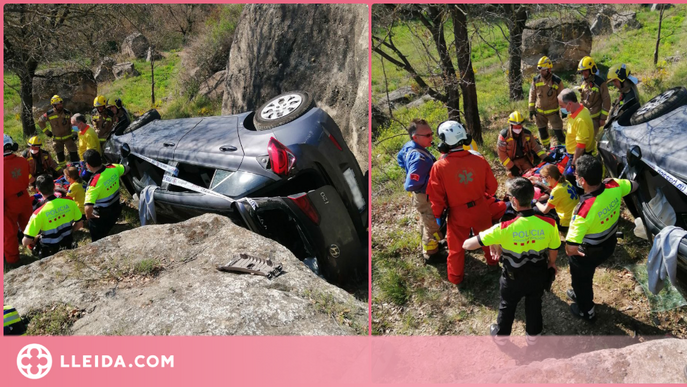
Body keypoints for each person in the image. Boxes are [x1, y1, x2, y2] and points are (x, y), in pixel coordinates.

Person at [463, 178, 559, 345]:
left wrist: (492, 239)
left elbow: (467, 245)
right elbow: (554, 248)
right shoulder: (549, 223)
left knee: (507, 305)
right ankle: (533, 336)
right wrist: (551, 263)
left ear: (514, 200)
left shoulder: (503, 228)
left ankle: (501, 338)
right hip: (538, 274)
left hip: (513, 278)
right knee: (534, 303)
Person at [565, 155, 638, 321]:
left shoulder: (583, 210)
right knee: (583, 279)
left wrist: (573, 252)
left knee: (581, 280)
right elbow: (634, 186)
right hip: (609, 244)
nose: (574, 177)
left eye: (576, 175)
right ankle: (579, 294)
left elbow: (570, 248)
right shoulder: (614, 185)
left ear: (582, 180)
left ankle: (587, 311)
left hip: (589, 253)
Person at [426, 121, 499, 285]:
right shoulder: (479, 159)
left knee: (456, 249)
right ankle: (493, 264)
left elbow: (436, 197)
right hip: (481, 208)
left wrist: (437, 217)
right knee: (487, 238)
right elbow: (492, 187)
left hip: (458, 213)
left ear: (444, 143)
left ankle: (456, 278)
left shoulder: (439, 167)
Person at [397, 119, 442, 257]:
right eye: (427, 135)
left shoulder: (409, 146)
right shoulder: (419, 158)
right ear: (415, 137)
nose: (431, 137)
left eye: (431, 133)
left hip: (419, 196)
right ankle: (431, 253)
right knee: (432, 224)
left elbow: (400, 159)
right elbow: (411, 184)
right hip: (425, 195)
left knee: (425, 220)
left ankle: (426, 244)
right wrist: (431, 181)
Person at [22, 175, 83, 258]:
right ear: (54, 187)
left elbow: (26, 241)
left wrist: (36, 237)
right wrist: (69, 232)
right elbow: (79, 224)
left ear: (38, 190)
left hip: (49, 251)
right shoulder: (70, 202)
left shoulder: (37, 213)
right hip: (68, 244)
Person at [83, 149, 130, 242]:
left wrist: (90, 216)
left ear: (88, 165)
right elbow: (127, 169)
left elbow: (88, 208)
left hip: (102, 216)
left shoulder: (94, 183)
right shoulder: (113, 167)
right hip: (116, 209)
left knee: (97, 238)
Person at [558, 88, 597, 189]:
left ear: (569, 104)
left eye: (561, 106)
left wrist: (573, 163)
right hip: (573, 153)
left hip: (579, 155)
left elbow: (581, 145)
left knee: (571, 180)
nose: (560, 108)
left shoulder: (580, 119)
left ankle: (577, 199)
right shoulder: (578, 111)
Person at [4, 134, 33, 265]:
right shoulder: (22, 161)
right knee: (29, 225)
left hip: (8, 203)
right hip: (25, 198)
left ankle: (13, 260)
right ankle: (34, 246)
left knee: (9, 233)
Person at [497, 110, 553, 178]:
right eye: (516, 127)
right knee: (515, 177)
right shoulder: (504, 136)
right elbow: (502, 154)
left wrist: (545, 157)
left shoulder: (527, 134)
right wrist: (512, 167)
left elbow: (536, 147)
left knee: (532, 175)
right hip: (512, 161)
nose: (518, 129)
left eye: (520, 126)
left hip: (525, 159)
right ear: (511, 125)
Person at [528, 56, 565, 148]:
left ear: (549, 69)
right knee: (543, 134)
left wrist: (564, 110)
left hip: (553, 113)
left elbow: (562, 96)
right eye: (540, 70)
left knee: (559, 134)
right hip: (539, 114)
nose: (541, 72)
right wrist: (531, 109)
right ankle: (547, 148)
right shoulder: (536, 80)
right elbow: (532, 94)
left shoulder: (557, 81)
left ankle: (565, 150)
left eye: (543, 70)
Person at [535, 164, 579, 237]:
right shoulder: (565, 182)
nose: (543, 179)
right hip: (574, 214)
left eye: (543, 177)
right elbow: (554, 192)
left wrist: (535, 201)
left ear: (549, 177)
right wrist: (540, 183)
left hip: (566, 221)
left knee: (536, 210)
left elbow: (544, 210)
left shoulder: (557, 190)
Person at [37, 94, 78, 166]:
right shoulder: (49, 114)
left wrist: (74, 133)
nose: (60, 106)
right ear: (53, 105)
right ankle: (63, 170)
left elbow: (73, 123)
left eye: (61, 104)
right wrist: (47, 132)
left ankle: (77, 168)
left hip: (68, 138)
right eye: (58, 105)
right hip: (57, 140)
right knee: (60, 157)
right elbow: (40, 121)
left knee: (74, 154)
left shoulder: (67, 113)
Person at [577, 56, 611, 137]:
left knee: (590, 139)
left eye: (585, 71)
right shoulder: (583, 82)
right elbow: (582, 99)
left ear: (591, 70)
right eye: (582, 71)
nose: (583, 73)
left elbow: (607, 101)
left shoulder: (600, 83)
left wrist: (603, 118)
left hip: (595, 119)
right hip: (584, 117)